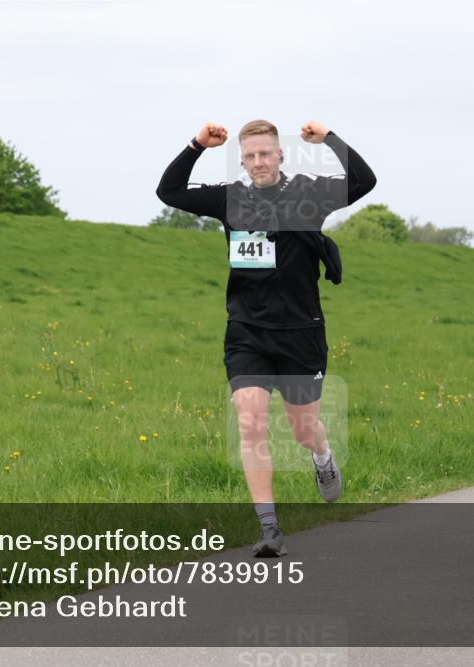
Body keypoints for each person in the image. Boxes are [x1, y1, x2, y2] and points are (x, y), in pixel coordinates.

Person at [156, 119, 376, 557]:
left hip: (300, 333)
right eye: (250, 156)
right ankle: (270, 528)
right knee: (251, 419)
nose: (258, 162)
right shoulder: (230, 198)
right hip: (247, 331)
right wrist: (197, 144)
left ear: (280, 156)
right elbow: (169, 191)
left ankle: (321, 456)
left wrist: (328, 139)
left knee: (302, 428)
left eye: (265, 153)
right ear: (242, 161)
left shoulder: (309, 195)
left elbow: (364, 180)